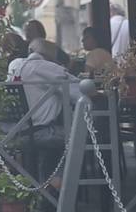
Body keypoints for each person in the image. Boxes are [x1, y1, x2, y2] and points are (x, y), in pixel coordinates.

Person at [5, 39, 81, 194]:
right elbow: (80, 93)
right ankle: (56, 184)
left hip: (14, 132)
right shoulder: (46, 67)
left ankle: (45, 188)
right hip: (41, 132)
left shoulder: (14, 65)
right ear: (51, 57)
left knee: (58, 139)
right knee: (78, 138)